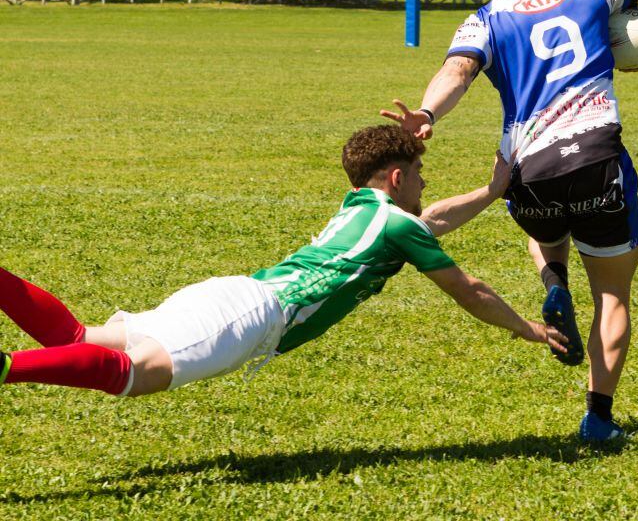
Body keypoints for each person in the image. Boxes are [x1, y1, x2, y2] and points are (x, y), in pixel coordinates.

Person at [381, 0, 638, 442]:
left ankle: (554, 281)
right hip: (597, 157)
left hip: (530, 171)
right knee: (612, 296)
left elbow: (456, 72)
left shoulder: (486, 18)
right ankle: (599, 419)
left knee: (544, 231)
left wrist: (428, 112)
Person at [0, 125, 566, 398]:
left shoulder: (365, 206)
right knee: (135, 374)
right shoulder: (394, 223)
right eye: (417, 173)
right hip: (251, 317)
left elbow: (431, 218)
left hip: (229, 295)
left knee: (81, 335)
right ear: (396, 178)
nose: (425, 181)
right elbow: (472, 291)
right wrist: (529, 330)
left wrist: (492, 192)